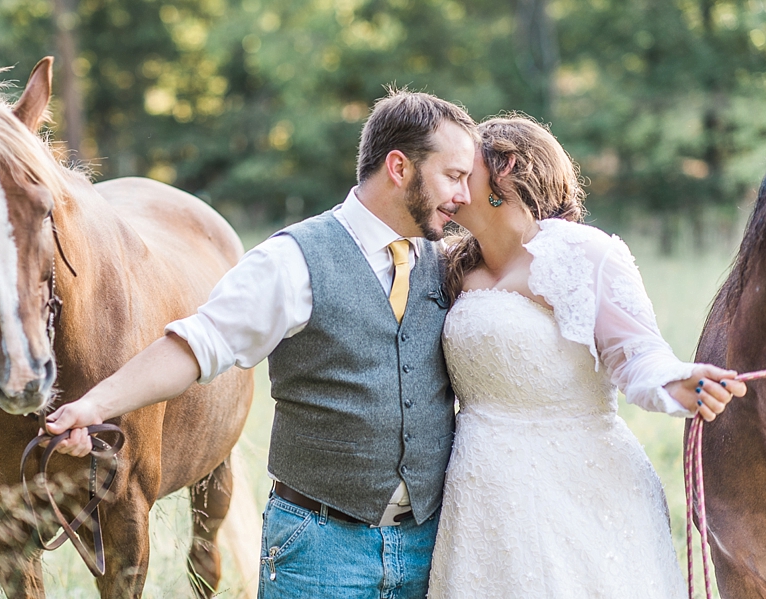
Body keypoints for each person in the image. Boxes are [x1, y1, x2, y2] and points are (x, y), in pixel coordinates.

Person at [44, 89, 477, 598]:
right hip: (319, 550)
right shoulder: (291, 261)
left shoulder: (449, 263)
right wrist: (94, 404)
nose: (465, 196)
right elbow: (196, 345)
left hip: (428, 546)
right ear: (399, 167)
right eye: (454, 176)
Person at [426, 114, 747, 598]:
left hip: (579, 492)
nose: (446, 180)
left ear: (505, 166)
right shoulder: (448, 266)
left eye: (459, 169)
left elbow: (638, 353)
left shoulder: (582, 254)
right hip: (481, 499)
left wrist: (675, 381)